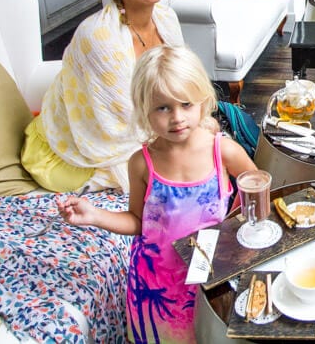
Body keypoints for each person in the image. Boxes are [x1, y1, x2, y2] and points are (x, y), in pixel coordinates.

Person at [58, 45, 258, 344]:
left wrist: (233, 230)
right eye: (162, 107)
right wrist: (95, 216)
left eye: (186, 104)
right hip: (155, 284)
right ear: (143, 110)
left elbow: (256, 189)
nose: (177, 117)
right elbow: (139, 221)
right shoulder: (141, 163)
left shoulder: (223, 151)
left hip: (207, 280)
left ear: (203, 101)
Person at [21, 0, 185, 193]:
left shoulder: (167, 18)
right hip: (76, 153)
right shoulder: (99, 36)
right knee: (175, 179)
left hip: (152, 125)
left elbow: (180, 85)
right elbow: (122, 125)